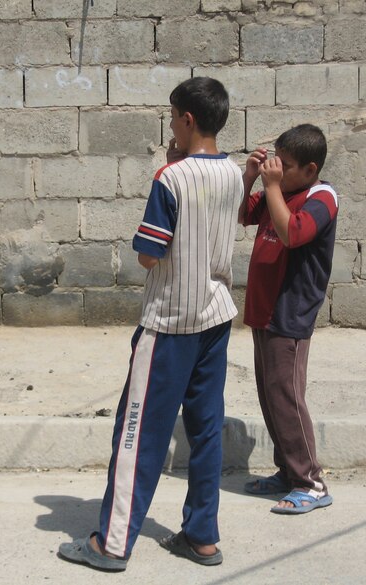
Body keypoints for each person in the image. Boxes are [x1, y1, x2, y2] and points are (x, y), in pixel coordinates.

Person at [58, 77, 243, 570]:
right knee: (205, 430)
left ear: (186, 120)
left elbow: (146, 256)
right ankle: (202, 536)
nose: (171, 126)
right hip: (216, 314)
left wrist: (170, 167)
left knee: (137, 434)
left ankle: (112, 543)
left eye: (173, 117)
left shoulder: (170, 179)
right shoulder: (233, 174)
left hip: (171, 323)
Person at [238, 124, 337, 514]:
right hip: (264, 307)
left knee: (287, 396)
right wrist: (249, 177)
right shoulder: (282, 191)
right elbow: (243, 213)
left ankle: (311, 482)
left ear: (310, 169)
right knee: (270, 394)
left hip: (290, 309)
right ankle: (287, 471)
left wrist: (274, 187)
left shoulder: (320, 195)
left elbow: (294, 234)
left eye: (287, 165)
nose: (277, 170)